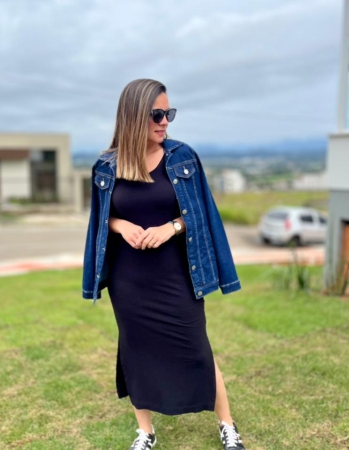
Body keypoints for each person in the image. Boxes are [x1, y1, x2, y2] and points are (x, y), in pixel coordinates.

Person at [82, 78, 246, 450]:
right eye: (157, 114)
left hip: (177, 274)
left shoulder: (182, 157)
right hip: (129, 279)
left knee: (198, 347)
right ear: (134, 116)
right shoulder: (106, 166)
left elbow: (201, 214)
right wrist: (122, 226)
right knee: (136, 351)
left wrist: (169, 228)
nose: (165, 121)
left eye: (168, 113)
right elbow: (101, 219)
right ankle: (146, 432)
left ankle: (227, 424)